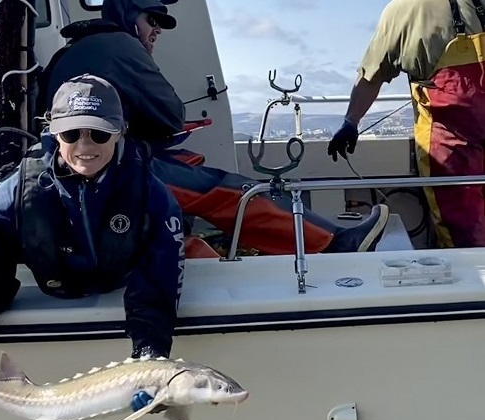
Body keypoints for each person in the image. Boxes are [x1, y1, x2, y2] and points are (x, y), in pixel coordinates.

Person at [36, 0, 391, 256]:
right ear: (128, 13)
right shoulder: (122, 45)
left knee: (189, 163)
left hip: (75, 175)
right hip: (111, 174)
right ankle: (332, 244)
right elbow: (170, 115)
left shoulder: (71, 51)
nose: (157, 28)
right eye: (151, 17)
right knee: (231, 189)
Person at [0, 74, 184, 416]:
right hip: (52, 288)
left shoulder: (150, 194)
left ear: (121, 132)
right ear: (52, 133)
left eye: (100, 133)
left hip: (117, 287)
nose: (85, 145)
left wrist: (150, 360)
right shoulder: (15, 194)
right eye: (71, 133)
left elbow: (159, 281)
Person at [328, 0, 485, 249]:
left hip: (450, 140)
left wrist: (351, 121)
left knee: (461, 224)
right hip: (460, 132)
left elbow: (371, 75)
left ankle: (471, 279)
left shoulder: (402, 9)